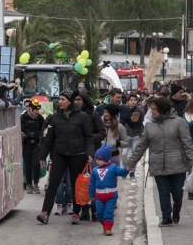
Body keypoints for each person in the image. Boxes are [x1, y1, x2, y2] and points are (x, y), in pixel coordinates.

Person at [125, 97, 193, 226]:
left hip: (177, 164)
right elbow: (141, 146)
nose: (151, 111)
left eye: (153, 109)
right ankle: (166, 217)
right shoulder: (149, 126)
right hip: (158, 164)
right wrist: (131, 163)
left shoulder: (179, 123)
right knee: (163, 192)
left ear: (161, 109)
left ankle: (176, 211)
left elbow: (187, 143)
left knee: (177, 192)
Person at [37, 89, 94, 226]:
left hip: (78, 155)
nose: (60, 102)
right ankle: (45, 213)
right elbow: (49, 139)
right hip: (59, 155)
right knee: (53, 183)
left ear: (70, 101)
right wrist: (42, 156)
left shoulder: (82, 116)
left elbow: (88, 137)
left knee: (76, 185)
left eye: (63, 99)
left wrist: (89, 153)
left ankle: (75, 213)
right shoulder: (55, 117)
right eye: (59, 99)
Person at [72, 89, 105, 221]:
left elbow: (102, 133)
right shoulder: (72, 114)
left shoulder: (94, 114)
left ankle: (95, 210)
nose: (76, 102)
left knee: (94, 182)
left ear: (85, 101)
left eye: (79, 100)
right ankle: (84, 210)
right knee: (81, 182)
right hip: (77, 153)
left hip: (93, 152)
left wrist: (88, 138)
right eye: (74, 100)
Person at [89, 145, 129, 236]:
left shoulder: (113, 167)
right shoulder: (95, 170)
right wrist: (91, 195)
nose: (97, 161)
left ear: (106, 159)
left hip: (111, 196)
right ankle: (105, 224)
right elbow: (92, 184)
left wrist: (126, 170)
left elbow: (120, 172)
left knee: (109, 212)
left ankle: (108, 228)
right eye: (96, 159)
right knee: (99, 213)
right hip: (99, 196)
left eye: (99, 159)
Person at [21, 99, 45, 195]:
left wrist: (40, 140)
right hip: (26, 143)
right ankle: (29, 185)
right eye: (35, 109)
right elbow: (20, 129)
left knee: (36, 163)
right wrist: (24, 135)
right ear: (30, 108)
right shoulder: (23, 117)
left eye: (38, 109)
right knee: (28, 164)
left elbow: (42, 131)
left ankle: (36, 184)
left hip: (36, 143)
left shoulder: (40, 118)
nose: (37, 111)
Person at [121, 93, 144, 178]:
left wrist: (140, 134)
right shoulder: (124, 110)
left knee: (134, 154)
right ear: (128, 101)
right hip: (126, 135)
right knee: (124, 153)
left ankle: (132, 172)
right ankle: (125, 169)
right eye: (131, 100)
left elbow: (143, 123)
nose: (133, 102)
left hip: (136, 135)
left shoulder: (140, 110)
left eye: (134, 100)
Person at [101, 103, 129, 168]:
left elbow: (127, 143)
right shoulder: (100, 124)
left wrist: (117, 143)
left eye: (107, 112)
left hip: (113, 155)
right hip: (101, 156)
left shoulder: (120, 127)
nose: (105, 114)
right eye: (104, 112)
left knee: (113, 176)